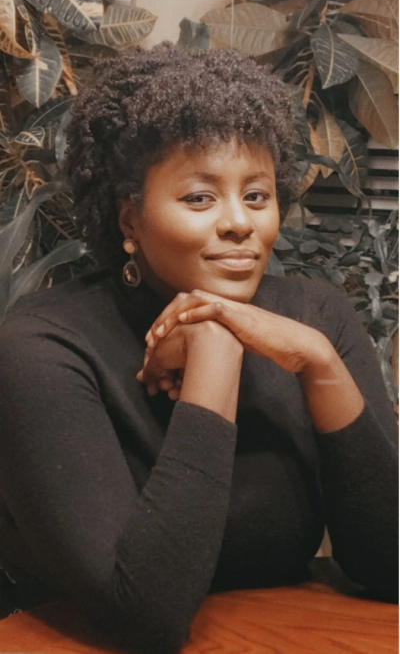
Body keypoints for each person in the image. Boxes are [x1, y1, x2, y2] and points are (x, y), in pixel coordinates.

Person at [0, 42, 397, 653]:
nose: (240, 222)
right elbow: (145, 616)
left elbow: (389, 568)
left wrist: (320, 365)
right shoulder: (44, 347)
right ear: (129, 221)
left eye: (257, 196)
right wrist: (217, 352)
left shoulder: (314, 320)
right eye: (199, 197)